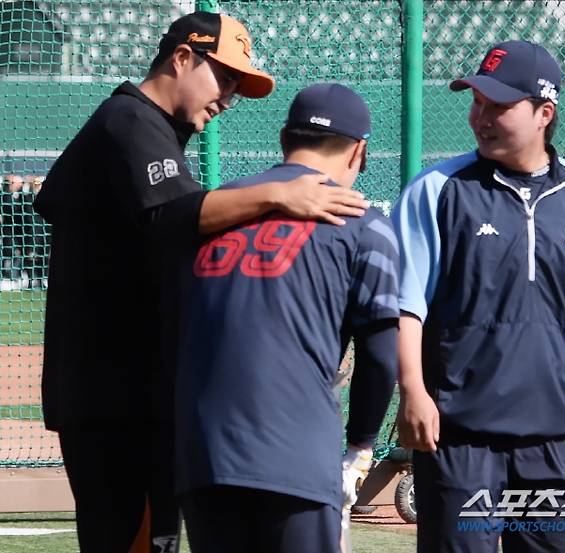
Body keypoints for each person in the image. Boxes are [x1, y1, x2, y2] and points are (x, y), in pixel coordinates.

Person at [32, 12, 368, 553]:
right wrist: (280, 195)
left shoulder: (151, 131)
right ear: (182, 59)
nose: (229, 97)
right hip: (117, 397)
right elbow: (170, 217)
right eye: (225, 78)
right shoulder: (128, 119)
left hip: (135, 392)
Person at [391, 40, 565, 553]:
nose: (479, 116)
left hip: (555, 441)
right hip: (460, 439)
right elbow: (404, 305)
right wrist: (413, 391)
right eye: (476, 102)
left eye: (498, 106)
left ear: (543, 113)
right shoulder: (438, 189)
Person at [175, 83, 399, 553]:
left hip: (202, 456)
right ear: (360, 151)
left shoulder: (212, 210)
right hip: (296, 456)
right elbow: (380, 356)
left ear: (284, 139)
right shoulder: (362, 221)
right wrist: (360, 447)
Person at [0, 174, 25, 284]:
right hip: (7, 232)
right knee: (8, 254)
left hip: (18, 232)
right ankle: (7, 277)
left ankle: (14, 277)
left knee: (17, 254)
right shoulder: (5, 196)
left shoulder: (21, 196)